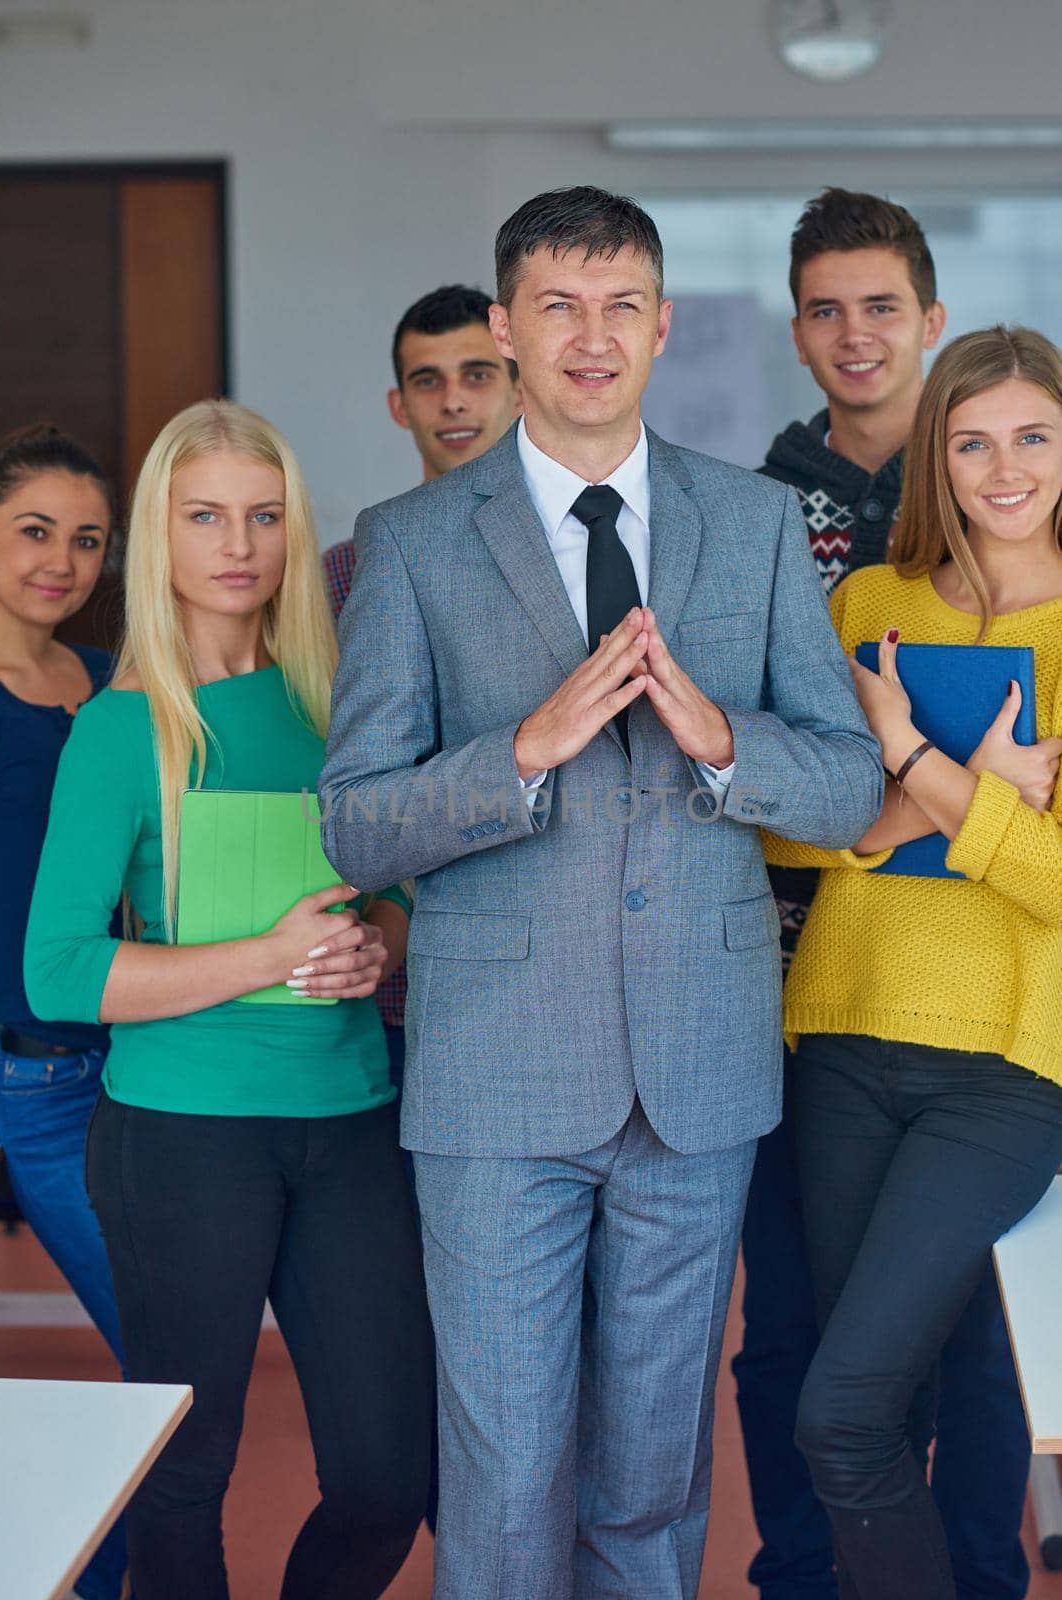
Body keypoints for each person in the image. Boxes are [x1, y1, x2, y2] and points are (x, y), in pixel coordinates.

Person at [319, 185, 882, 1600]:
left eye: (621, 303)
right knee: (503, 1486)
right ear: (507, 327)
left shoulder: (751, 524)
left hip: (696, 1079)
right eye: (558, 306)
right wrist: (522, 747)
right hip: (495, 1087)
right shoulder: (410, 541)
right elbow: (354, 827)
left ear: (663, 324)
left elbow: (848, 789)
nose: (592, 335)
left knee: (652, 1486)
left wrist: (720, 739)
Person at [24, 400, 432, 1600]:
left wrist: (376, 944)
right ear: (162, 535)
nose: (238, 543)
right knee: (185, 1473)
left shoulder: (342, 709)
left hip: (352, 1119)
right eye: (205, 516)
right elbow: (61, 971)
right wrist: (266, 954)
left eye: (264, 516)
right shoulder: (119, 732)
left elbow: (398, 886)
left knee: (384, 1476)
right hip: (177, 1138)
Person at [738, 189, 1034, 1600]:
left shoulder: (1009, 550)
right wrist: (945, 788)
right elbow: (797, 807)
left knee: (962, 1353)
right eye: (825, 306)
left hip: (1000, 1038)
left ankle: (981, 1576)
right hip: (821, 1005)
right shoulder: (795, 547)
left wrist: (905, 759)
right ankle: (812, 1580)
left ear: (927, 319)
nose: (1000, 464)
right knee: (821, 1358)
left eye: (1027, 437)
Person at [323, 283, 522, 1087]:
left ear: (518, 384)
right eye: (428, 380)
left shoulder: (583, 557)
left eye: (477, 374)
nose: (453, 401)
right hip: (384, 985)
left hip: (532, 967)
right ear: (399, 405)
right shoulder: (342, 572)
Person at [0, 423, 128, 1600]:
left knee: (176, 1366)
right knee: (169, 1354)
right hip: (24, 1081)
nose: (62, 560)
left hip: (133, 1061)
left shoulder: (106, 683)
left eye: (85, 540)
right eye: (34, 531)